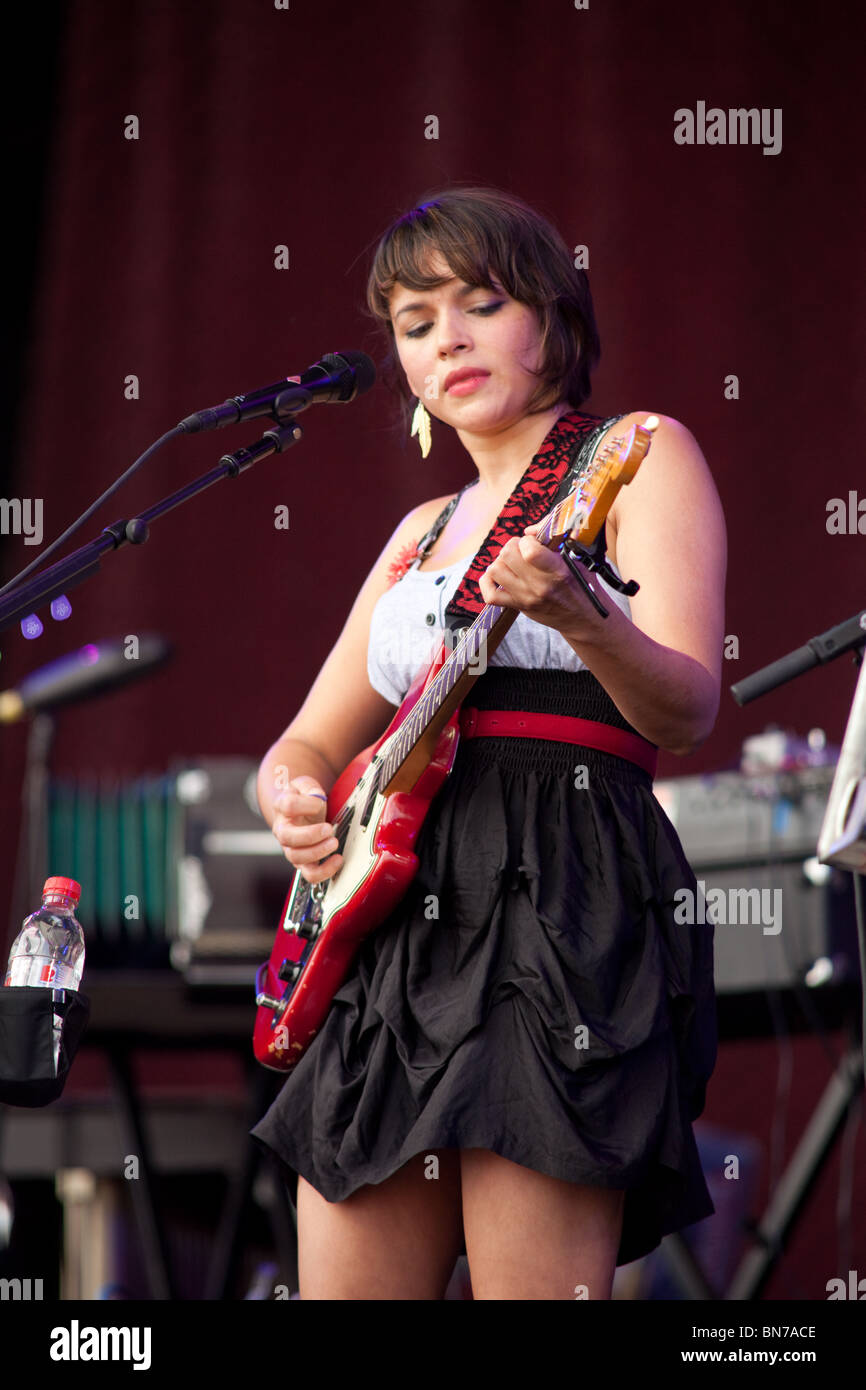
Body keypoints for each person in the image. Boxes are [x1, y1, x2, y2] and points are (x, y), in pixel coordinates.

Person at [250, 186, 727, 1301]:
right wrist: (292, 793)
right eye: (415, 323)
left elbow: (686, 707)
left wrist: (581, 617)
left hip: (560, 893)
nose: (444, 338)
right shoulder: (416, 532)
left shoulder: (635, 455)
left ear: (552, 320)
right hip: (394, 927)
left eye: (480, 303)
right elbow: (309, 739)